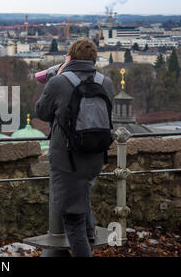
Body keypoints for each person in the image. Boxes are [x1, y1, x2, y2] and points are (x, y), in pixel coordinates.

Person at [35, 39, 115, 257]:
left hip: (67, 161)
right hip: (96, 156)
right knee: (82, 195)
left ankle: (82, 247)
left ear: (69, 57)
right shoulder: (105, 82)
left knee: (72, 220)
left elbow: (42, 112)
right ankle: (90, 233)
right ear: (93, 59)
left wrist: (54, 78)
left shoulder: (59, 83)